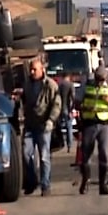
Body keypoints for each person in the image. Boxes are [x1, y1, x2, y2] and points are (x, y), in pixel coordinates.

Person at [12, 57, 62, 196]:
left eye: (35, 69)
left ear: (42, 70)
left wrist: (51, 120)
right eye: (31, 69)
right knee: (26, 154)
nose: (32, 72)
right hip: (30, 125)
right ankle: (32, 181)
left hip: (43, 126)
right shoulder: (28, 84)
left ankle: (45, 185)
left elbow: (56, 104)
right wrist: (18, 97)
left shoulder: (50, 85)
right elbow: (25, 99)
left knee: (44, 157)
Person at [79, 66, 108, 195]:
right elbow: (77, 101)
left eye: (102, 79)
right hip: (89, 123)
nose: (99, 82)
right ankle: (85, 179)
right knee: (85, 155)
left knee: (104, 153)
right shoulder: (86, 86)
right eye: (98, 79)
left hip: (105, 124)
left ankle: (102, 185)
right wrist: (84, 107)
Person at [57, 72, 75, 152]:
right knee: (69, 127)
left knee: (59, 126)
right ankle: (69, 145)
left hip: (60, 108)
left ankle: (60, 142)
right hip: (67, 108)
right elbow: (72, 98)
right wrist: (72, 109)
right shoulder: (70, 85)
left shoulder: (59, 85)